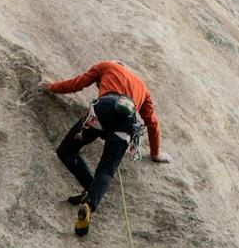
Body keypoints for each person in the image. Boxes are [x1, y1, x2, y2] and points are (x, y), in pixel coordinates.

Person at [41, 60, 172, 236]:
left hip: (102, 110)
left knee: (67, 150)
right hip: (127, 121)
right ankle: (89, 203)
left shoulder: (107, 65)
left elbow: (78, 83)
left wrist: (52, 87)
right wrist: (155, 153)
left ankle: (90, 190)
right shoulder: (142, 87)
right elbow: (152, 123)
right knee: (107, 169)